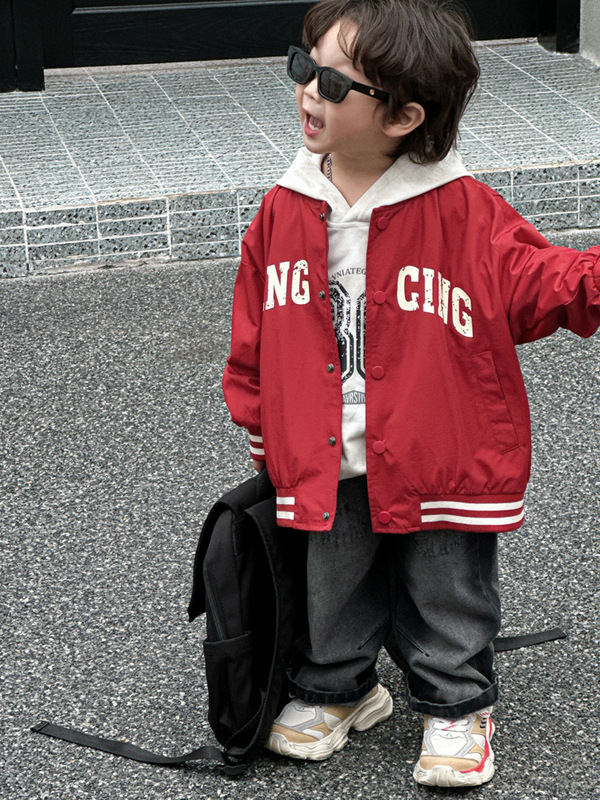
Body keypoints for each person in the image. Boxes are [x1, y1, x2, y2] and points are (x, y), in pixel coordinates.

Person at [222, 0, 600, 787]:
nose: (308, 91)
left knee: (446, 582)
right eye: (305, 66)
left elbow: (547, 283)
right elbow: (252, 329)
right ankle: (339, 686)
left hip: (440, 450)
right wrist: (262, 430)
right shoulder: (284, 207)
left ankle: (456, 702)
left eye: (333, 83)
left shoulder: (467, 214)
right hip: (325, 449)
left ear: (403, 117)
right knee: (331, 580)